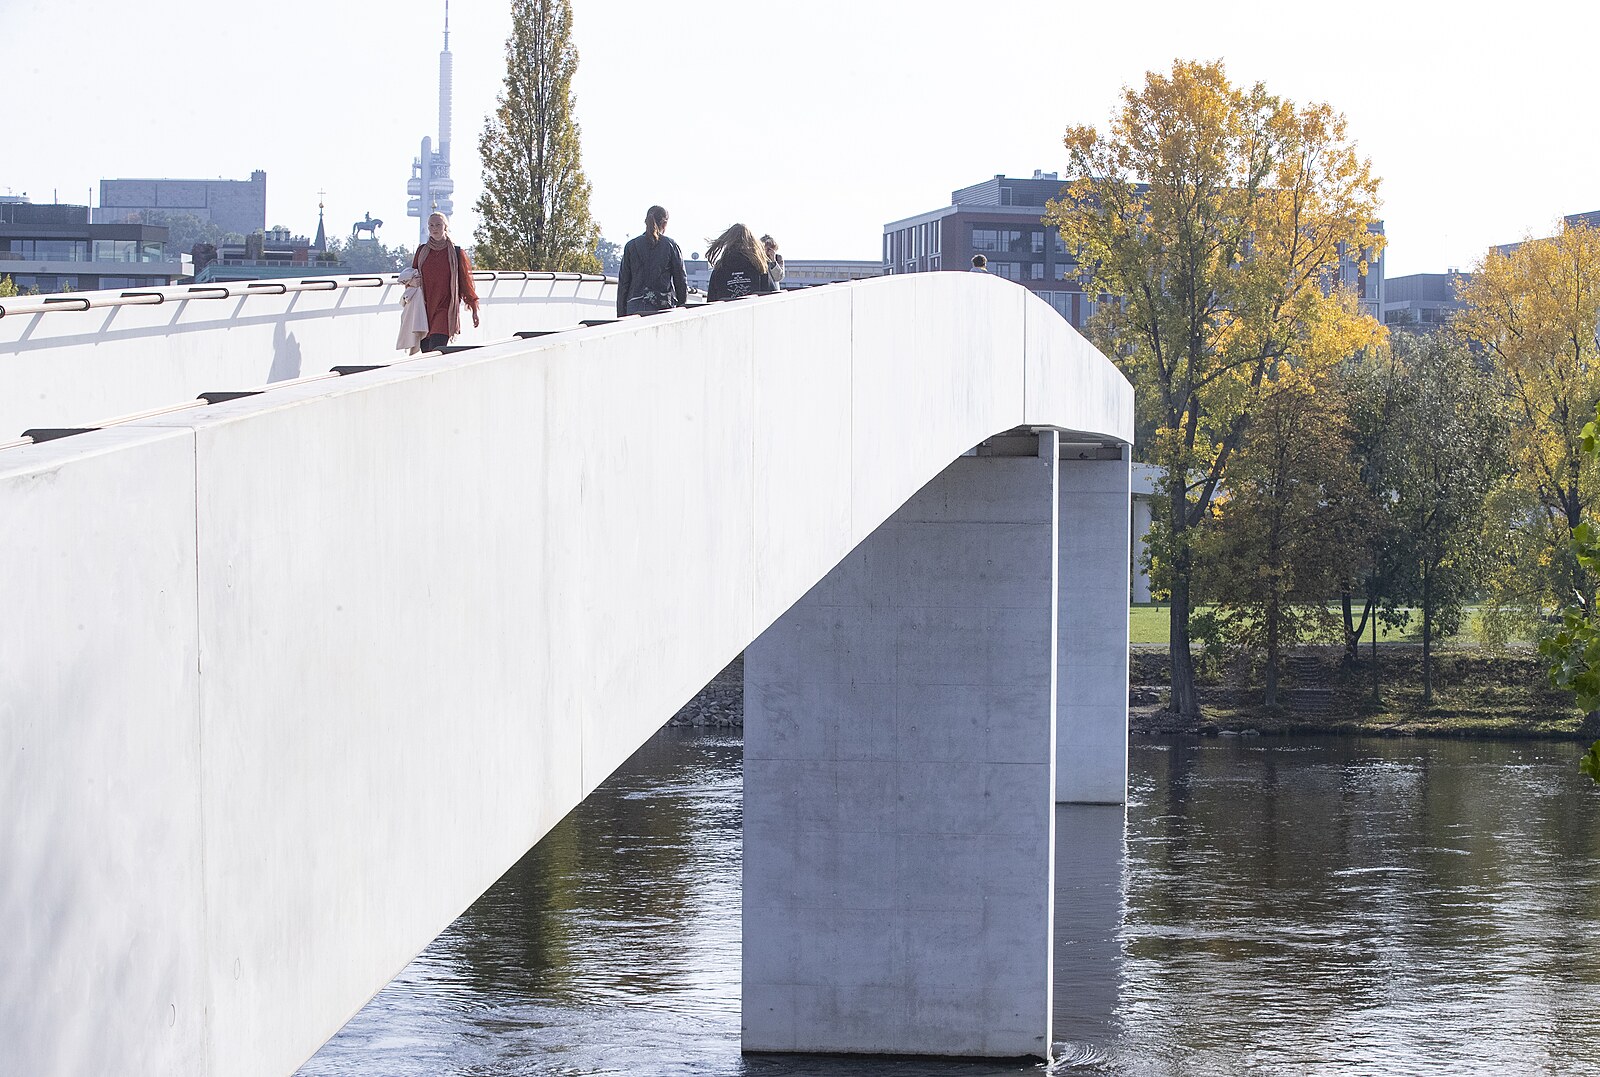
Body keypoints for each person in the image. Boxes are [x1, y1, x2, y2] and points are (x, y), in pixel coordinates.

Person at [412, 212, 480, 352]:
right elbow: (413, 275)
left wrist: (473, 308)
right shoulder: (421, 252)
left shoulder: (456, 253)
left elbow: (465, 283)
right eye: (431, 225)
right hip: (424, 307)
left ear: (445, 227)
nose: (434, 228)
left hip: (445, 308)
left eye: (438, 225)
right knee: (426, 351)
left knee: (437, 347)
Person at [616, 205, 688, 316]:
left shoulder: (631, 246)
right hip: (662, 307)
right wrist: (682, 307)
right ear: (664, 224)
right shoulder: (670, 245)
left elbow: (623, 284)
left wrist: (621, 314)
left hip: (634, 306)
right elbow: (680, 280)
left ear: (645, 221)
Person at [705, 224, 776, 301]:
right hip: (754, 311)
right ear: (750, 240)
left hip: (726, 311)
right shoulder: (759, 265)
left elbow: (711, 299)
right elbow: (771, 295)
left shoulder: (720, 267)